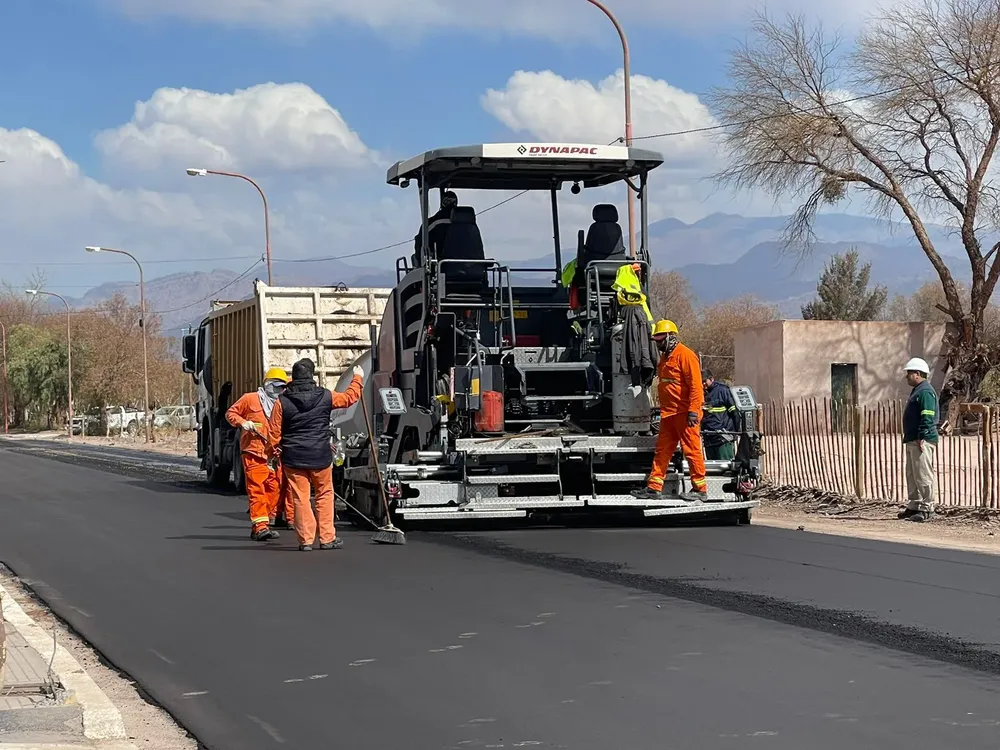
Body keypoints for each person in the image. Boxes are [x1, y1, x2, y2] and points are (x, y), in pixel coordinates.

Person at [269, 358, 364, 551]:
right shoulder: (326, 396)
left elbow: (273, 433)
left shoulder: (282, 402)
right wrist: (358, 378)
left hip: (293, 457)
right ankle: (327, 538)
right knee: (325, 494)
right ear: (311, 376)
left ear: (292, 378)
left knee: (300, 498)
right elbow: (349, 398)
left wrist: (273, 453)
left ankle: (305, 540)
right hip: (320, 455)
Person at [632, 320, 707, 502]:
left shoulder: (686, 355)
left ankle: (700, 489)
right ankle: (654, 488)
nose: (657, 343)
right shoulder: (666, 357)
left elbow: (696, 387)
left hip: (684, 414)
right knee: (662, 451)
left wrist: (693, 411)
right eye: (656, 340)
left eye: (660, 339)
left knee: (692, 451)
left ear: (670, 337)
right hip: (669, 414)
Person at [225, 367, 290, 541]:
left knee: (274, 489)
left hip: (273, 455)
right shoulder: (250, 399)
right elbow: (230, 413)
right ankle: (260, 527)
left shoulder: (282, 404)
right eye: (276, 387)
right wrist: (243, 422)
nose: (279, 391)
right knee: (256, 490)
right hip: (254, 453)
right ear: (267, 385)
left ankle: (262, 525)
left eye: (282, 388)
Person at [898, 357, 939, 523]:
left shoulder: (925, 392)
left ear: (917, 374)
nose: (907, 376)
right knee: (912, 474)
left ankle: (928, 507)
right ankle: (914, 504)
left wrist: (923, 436)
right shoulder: (918, 390)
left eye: (909, 373)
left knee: (923, 474)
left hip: (921, 440)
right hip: (912, 439)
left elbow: (928, 416)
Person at [412, 190, 458, 266]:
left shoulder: (430, 224)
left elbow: (419, 245)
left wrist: (422, 263)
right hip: (471, 266)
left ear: (442, 203)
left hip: (440, 267)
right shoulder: (469, 226)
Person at [702, 370, 739, 460]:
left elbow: (735, 414)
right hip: (709, 439)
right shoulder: (700, 394)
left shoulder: (723, 391)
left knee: (726, 468)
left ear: (711, 379)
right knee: (713, 471)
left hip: (722, 440)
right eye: (701, 382)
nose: (703, 384)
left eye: (704, 381)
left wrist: (733, 433)